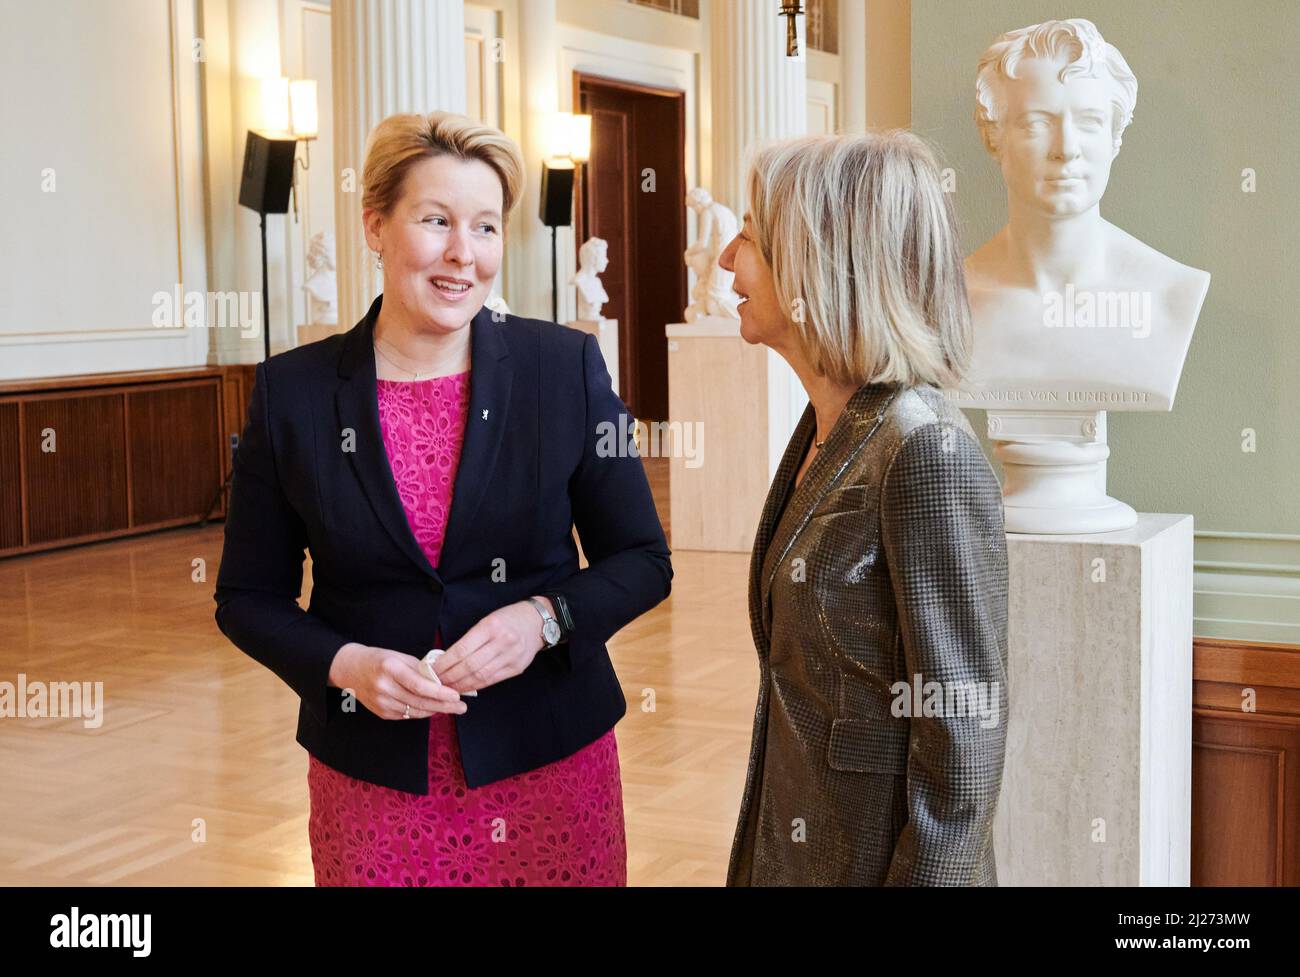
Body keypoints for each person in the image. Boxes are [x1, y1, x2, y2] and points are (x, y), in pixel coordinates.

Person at [214, 110, 671, 886]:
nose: (465, 254)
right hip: (374, 782)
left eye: (486, 227)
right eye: (436, 221)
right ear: (376, 226)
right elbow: (246, 597)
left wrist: (545, 619)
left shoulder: (564, 369)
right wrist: (344, 663)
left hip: (549, 771)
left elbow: (643, 560)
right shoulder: (293, 392)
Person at [718, 129, 1009, 885]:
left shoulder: (922, 450)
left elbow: (962, 747)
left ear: (821, 257)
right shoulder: (830, 426)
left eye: (747, 235)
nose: (726, 260)